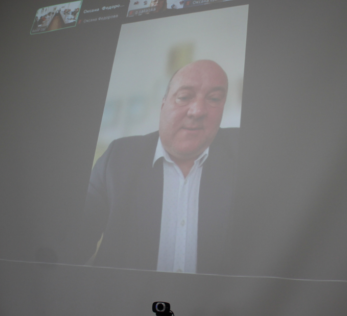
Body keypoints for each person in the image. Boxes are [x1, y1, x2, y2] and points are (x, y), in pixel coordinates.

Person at [80, 60, 239, 274]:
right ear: (164, 104)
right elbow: (72, 241)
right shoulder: (118, 158)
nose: (198, 111)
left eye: (214, 99)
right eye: (185, 97)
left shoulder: (243, 153)